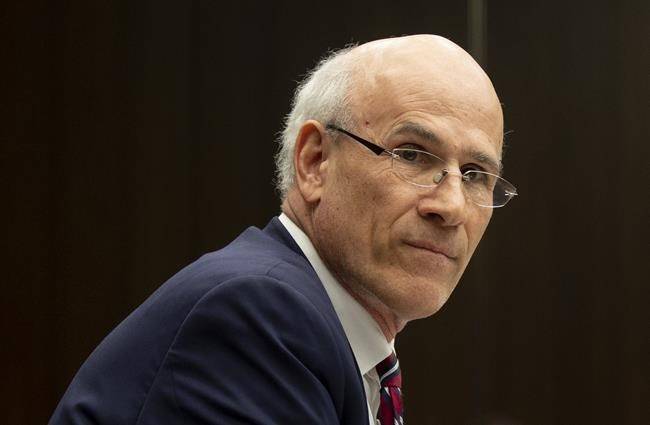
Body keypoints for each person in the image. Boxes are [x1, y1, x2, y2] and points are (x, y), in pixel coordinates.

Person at [50, 34, 517, 425]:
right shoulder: (257, 316)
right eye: (412, 154)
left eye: (475, 174)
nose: (451, 205)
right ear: (315, 162)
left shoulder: (335, 336)